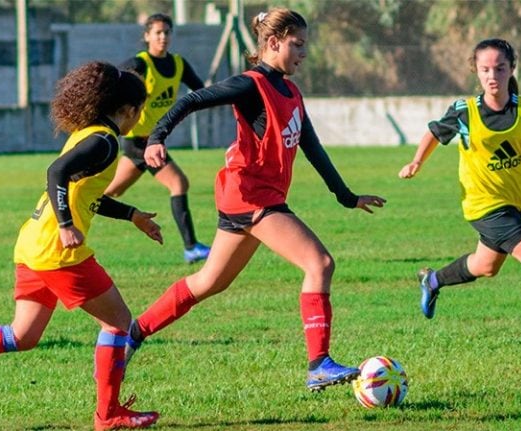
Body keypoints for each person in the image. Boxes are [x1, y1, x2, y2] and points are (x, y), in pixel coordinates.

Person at [122, 8, 386, 392]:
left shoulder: (291, 91)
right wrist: (158, 137)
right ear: (274, 43)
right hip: (251, 195)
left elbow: (311, 146)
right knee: (320, 263)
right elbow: (191, 100)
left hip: (251, 197)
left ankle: (135, 331)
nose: (304, 53)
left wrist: (347, 197)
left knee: (209, 282)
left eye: (305, 45)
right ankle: (318, 364)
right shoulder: (250, 84)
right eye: (298, 45)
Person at [0, 62, 163, 431]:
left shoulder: (91, 133)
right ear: (131, 110)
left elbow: (82, 195)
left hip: (34, 243)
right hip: (58, 250)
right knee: (118, 323)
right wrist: (68, 227)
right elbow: (56, 173)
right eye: (141, 110)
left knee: (22, 336)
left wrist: (132, 214)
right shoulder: (104, 141)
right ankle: (108, 414)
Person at [398, 38, 521, 350]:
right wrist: (416, 161)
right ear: (476, 73)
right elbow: (434, 133)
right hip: (482, 204)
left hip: (512, 203)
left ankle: (433, 280)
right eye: (485, 69)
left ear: (511, 69)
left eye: (499, 68)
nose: (492, 75)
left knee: (485, 266)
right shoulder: (464, 111)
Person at [106, 13, 210, 264]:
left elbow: (202, 92)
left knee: (109, 193)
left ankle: (73, 201)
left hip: (151, 142)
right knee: (179, 183)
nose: (163, 37)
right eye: (158, 33)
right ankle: (191, 247)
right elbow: (112, 81)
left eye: (167, 32)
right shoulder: (139, 64)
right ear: (147, 36)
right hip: (139, 141)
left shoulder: (178, 64)